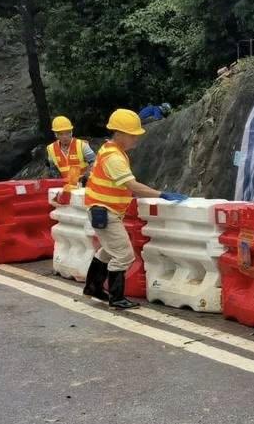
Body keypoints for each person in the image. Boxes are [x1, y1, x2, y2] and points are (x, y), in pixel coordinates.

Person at [81, 108, 183, 310]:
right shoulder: (114, 158)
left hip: (103, 210)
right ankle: (116, 298)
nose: (136, 139)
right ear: (119, 134)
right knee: (124, 255)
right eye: (132, 135)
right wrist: (161, 194)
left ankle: (93, 287)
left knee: (109, 251)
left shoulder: (110, 150)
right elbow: (133, 186)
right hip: (105, 212)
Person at [45, 116, 94, 189]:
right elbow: (53, 170)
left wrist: (87, 175)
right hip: (65, 187)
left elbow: (95, 163)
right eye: (61, 134)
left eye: (68, 133)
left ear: (71, 132)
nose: (65, 137)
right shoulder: (51, 148)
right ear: (56, 135)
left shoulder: (82, 145)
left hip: (85, 186)